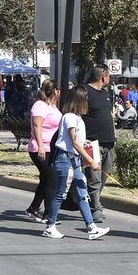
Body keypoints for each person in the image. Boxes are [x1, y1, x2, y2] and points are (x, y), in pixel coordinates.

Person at [43, 85, 107, 241]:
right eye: (85, 98)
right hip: (65, 159)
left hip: (74, 159)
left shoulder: (77, 117)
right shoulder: (70, 117)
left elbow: (75, 140)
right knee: (61, 193)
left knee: (82, 194)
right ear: (79, 99)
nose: (87, 101)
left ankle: (91, 227)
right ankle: (50, 226)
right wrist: (91, 160)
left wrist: (84, 143)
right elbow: (74, 142)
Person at [80, 66, 117, 222]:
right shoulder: (84, 92)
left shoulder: (105, 94)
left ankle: (91, 202)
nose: (109, 79)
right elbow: (77, 115)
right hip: (92, 143)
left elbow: (109, 114)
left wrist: (114, 133)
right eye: (109, 76)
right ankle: (96, 209)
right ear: (104, 77)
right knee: (93, 178)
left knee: (103, 177)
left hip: (109, 142)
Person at [26, 79, 61, 222]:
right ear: (55, 91)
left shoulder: (52, 106)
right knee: (52, 179)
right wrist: (40, 146)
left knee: (46, 179)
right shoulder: (40, 105)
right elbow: (36, 125)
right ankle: (48, 215)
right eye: (59, 90)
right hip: (41, 148)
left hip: (51, 148)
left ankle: (33, 208)